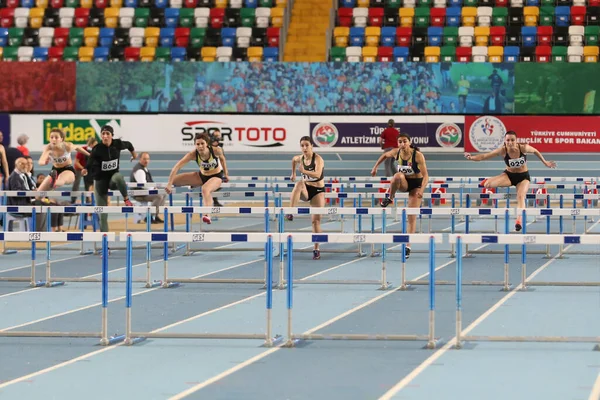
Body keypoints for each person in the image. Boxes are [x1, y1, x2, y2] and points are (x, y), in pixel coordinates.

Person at [464, 130, 557, 232]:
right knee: (487, 185)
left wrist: (545, 162)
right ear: (505, 141)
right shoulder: (503, 151)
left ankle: (519, 221)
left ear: (516, 141)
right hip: (509, 176)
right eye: (508, 140)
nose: (510, 142)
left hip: (523, 178)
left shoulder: (523, 148)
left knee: (521, 196)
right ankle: (489, 180)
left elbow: (535, 151)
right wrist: (471, 157)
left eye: (512, 140)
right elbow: (484, 156)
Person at [370, 132, 429, 259]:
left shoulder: (418, 155)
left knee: (411, 216)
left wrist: (422, 190)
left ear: (409, 142)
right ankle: (390, 197)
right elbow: (385, 155)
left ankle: (408, 246)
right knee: (397, 176)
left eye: (405, 141)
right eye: (400, 142)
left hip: (416, 185)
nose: (402, 144)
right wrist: (375, 167)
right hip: (404, 182)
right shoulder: (396, 152)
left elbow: (426, 176)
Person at [165, 132, 229, 225]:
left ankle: (207, 215)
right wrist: (169, 184)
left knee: (205, 189)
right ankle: (156, 189)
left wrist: (226, 174)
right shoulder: (192, 154)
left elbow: (223, 160)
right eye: (198, 144)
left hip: (216, 176)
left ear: (207, 144)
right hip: (202, 176)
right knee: (174, 180)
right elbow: (176, 167)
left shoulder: (216, 151)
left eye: (202, 143)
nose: (200, 146)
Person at [85, 125, 137, 232]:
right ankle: (105, 246)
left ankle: (126, 199)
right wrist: (86, 170)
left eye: (107, 134)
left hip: (112, 179)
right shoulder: (97, 149)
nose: (105, 136)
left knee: (119, 177)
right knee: (103, 216)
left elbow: (129, 145)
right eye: (103, 134)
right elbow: (89, 162)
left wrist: (134, 155)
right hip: (100, 182)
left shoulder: (117, 144)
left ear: (111, 136)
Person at [286, 136, 325, 260]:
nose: (304, 148)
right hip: (306, 189)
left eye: (307, 145)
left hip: (318, 191)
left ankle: (316, 249)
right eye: (302, 145)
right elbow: (293, 159)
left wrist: (304, 171)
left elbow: (318, 174)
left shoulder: (318, 159)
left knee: (315, 221)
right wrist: (293, 173)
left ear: (311, 146)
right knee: (298, 184)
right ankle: (291, 212)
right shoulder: (300, 158)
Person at [37, 128, 90, 198]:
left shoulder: (67, 146)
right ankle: (53, 182)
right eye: (51, 137)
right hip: (55, 170)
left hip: (68, 169)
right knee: (38, 195)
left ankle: (54, 182)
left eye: (56, 137)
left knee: (61, 179)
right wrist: (44, 162)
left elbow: (77, 147)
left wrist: (89, 155)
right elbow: (40, 161)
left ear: (61, 139)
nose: (53, 139)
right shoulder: (48, 148)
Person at [130, 152, 166, 223]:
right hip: (140, 194)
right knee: (158, 196)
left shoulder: (144, 168)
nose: (146, 161)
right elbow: (144, 185)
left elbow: (150, 182)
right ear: (140, 159)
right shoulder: (139, 170)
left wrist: (155, 188)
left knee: (164, 194)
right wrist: (154, 190)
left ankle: (155, 215)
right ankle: (149, 217)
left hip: (145, 192)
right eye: (144, 159)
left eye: (147, 159)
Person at [72, 136, 97, 203]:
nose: (96, 146)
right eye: (95, 144)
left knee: (88, 185)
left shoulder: (94, 151)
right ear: (91, 144)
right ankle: (73, 200)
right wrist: (83, 168)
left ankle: (88, 201)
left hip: (86, 168)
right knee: (76, 184)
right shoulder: (82, 150)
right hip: (79, 168)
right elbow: (76, 162)